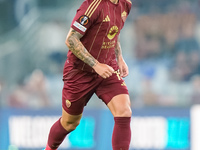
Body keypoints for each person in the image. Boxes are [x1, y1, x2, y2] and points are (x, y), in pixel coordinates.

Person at [44, 0, 132, 149]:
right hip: (80, 72)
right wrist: (96, 65)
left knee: (124, 111)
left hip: (107, 68)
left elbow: (113, 31)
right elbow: (71, 39)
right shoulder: (93, 6)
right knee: (70, 123)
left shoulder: (126, 5)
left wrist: (119, 57)